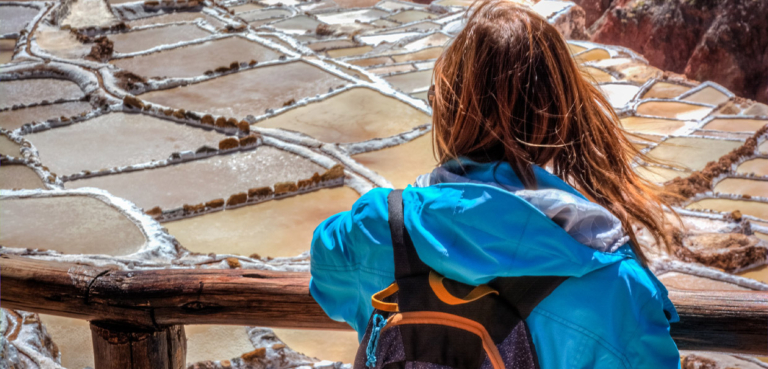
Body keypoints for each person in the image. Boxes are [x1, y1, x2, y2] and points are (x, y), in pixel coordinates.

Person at [310, 1, 680, 368]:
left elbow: (324, 269)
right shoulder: (618, 286)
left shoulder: (377, 229)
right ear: (559, 122)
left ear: (446, 113)